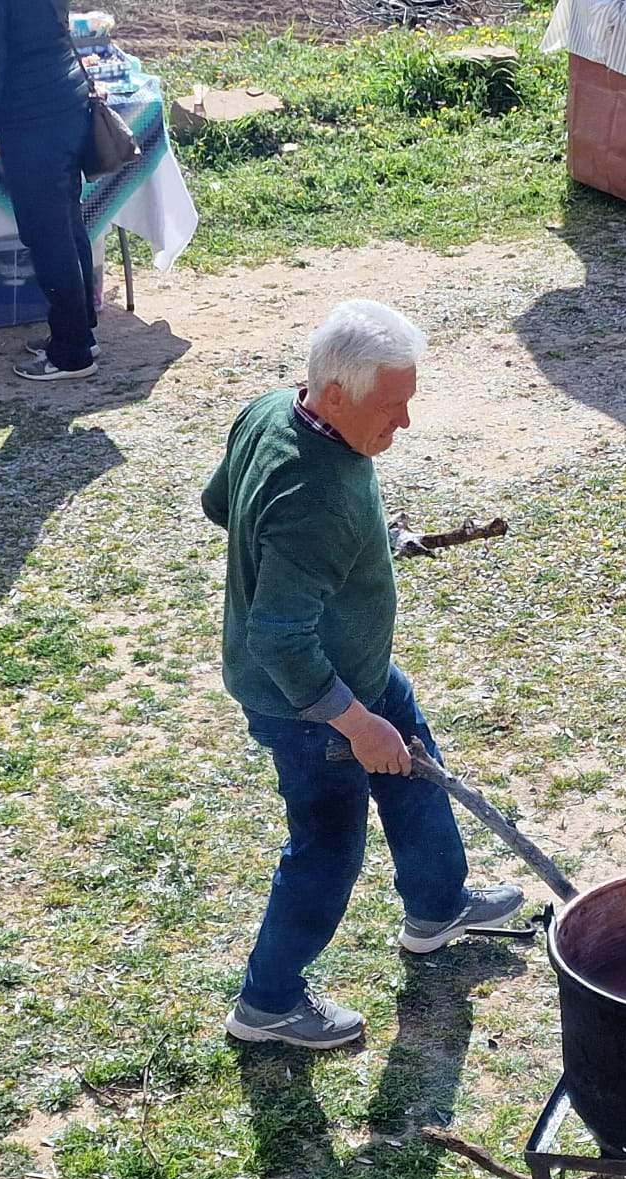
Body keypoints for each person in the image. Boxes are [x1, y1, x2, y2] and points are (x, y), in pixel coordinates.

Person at [203, 301, 522, 1049]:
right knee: (326, 846)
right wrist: (354, 721)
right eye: (393, 405)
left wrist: (368, 542)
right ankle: (268, 1004)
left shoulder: (273, 409)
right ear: (337, 395)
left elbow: (221, 504)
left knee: (414, 770)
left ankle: (437, 907)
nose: (405, 423)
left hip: (361, 670)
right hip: (308, 704)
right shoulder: (316, 496)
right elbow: (279, 638)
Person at [0, 0, 100, 382]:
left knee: (48, 234)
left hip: (32, 116)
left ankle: (72, 352)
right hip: (65, 99)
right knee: (67, 224)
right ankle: (80, 331)